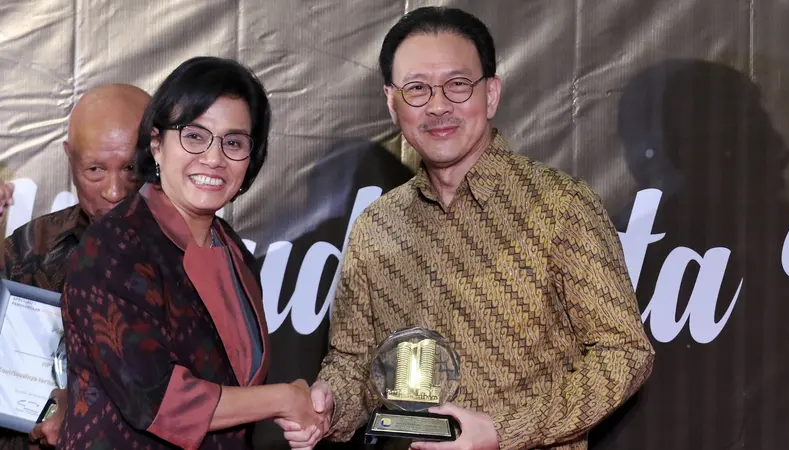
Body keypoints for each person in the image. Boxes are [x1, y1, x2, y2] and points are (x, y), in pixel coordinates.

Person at [281, 7, 655, 450]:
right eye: (416, 88)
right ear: (392, 102)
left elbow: (624, 352)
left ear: (491, 94)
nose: (438, 105)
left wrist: (503, 431)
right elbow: (354, 361)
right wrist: (329, 405)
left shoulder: (560, 206)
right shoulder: (376, 226)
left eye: (457, 85)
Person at [58, 56, 322, 450]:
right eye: (194, 136)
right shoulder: (112, 247)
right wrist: (285, 398)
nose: (214, 159)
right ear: (156, 143)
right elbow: (159, 401)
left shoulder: (232, 250)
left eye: (233, 142)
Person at [0, 83, 151, 450]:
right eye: (95, 170)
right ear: (70, 159)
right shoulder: (30, 246)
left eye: (131, 168)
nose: (115, 192)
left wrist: (87, 411)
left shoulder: (195, 258)